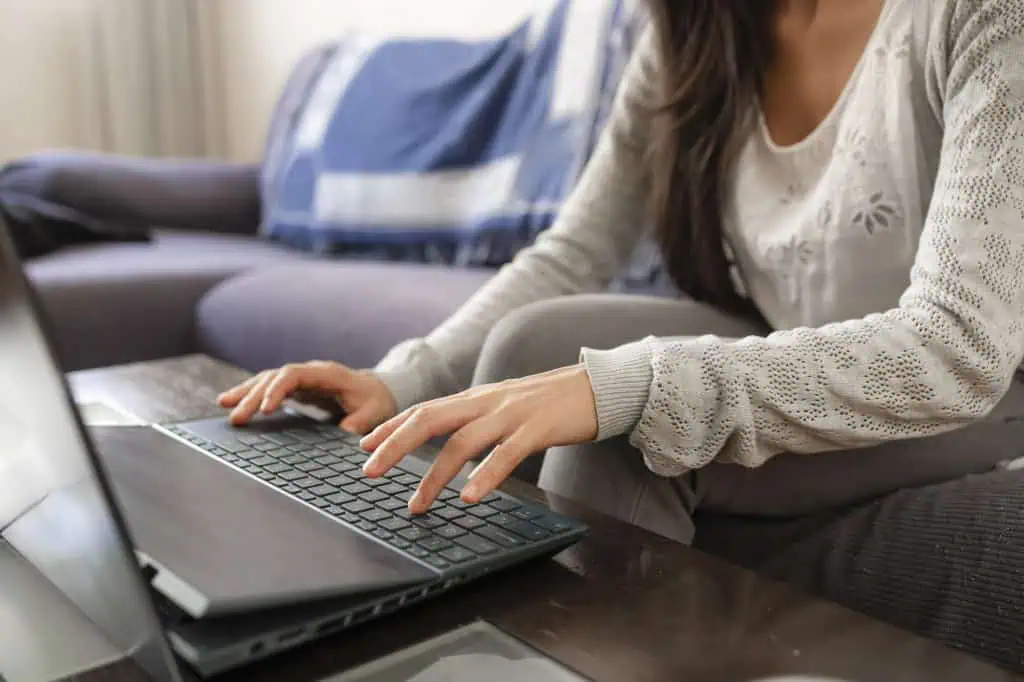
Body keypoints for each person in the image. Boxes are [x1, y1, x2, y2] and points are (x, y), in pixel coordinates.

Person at [219, 0, 1024, 670]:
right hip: (788, 336)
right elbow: (575, 250)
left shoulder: (981, 15)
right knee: (535, 345)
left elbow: (955, 348)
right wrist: (404, 379)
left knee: (628, 418)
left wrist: (636, 388)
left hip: (970, 388)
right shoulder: (695, 23)